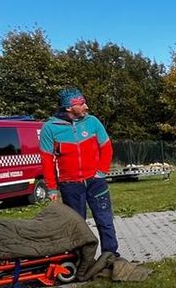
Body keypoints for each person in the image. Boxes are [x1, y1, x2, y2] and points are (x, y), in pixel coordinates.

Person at [39, 87, 118, 256]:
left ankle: (110, 255)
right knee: (76, 224)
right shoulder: (50, 128)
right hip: (70, 185)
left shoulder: (93, 122)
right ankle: (81, 258)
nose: (86, 106)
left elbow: (106, 148)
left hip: (95, 181)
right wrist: (52, 188)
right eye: (81, 103)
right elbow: (46, 161)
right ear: (69, 108)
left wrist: (101, 172)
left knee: (105, 220)